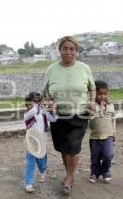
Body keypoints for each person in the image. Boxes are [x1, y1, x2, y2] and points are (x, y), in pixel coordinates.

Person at [43, 36, 96, 194]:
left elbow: (92, 89)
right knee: (64, 148)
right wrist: (50, 102)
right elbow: (45, 92)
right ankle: (69, 174)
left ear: (76, 51)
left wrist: (92, 102)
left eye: (71, 49)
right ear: (60, 51)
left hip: (79, 114)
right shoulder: (51, 69)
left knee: (73, 148)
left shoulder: (84, 68)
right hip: (58, 116)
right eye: (65, 48)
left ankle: (69, 177)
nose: (68, 52)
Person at [24, 92, 58, 193]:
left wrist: (53, 109)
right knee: (30, 164)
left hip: (42, 143)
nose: (34, 104)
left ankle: (42, 172)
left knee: (42, 163)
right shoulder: (27, 113)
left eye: (36, 101)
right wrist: (42, 102)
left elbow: (54, 119)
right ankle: (28, 183)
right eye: (33, 102)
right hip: (31, 143)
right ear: (27, 104)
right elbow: (34, 110)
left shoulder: (43, 113)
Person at [88, 80, 116, 183]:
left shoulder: (111, 105)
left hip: (108, 135)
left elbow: (113, 119)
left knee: (108, 155)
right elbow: (88, 117)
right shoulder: (91, 106)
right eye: (100, 94)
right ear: (94, 94)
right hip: (94, 137)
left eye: (105, 94)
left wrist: (114, 133)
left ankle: (105, 171)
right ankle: (94, 172)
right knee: (95, 157)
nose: (102, 96)